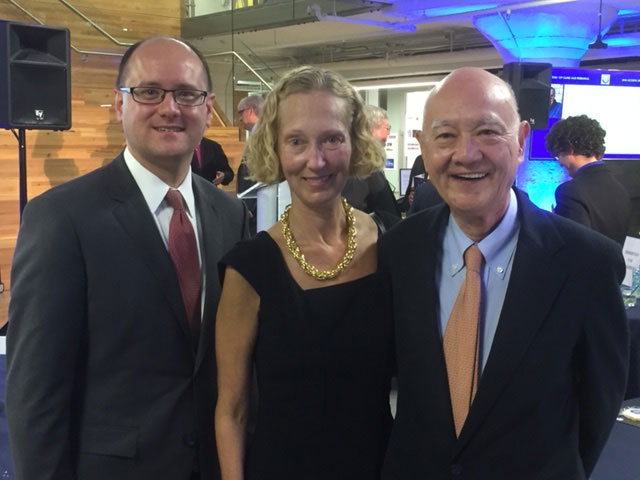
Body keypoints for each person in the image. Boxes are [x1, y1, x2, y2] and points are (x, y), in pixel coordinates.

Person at [5, 36, 249, 480]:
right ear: (119, 106)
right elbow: (35, 395)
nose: (170, 108)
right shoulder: (62, 217)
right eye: (149, 91)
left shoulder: (230, 214)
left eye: (187, 94)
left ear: (207, 106)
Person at [379, 67, 628, 479]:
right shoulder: (397, 252)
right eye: (445, 136)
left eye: (487, 132)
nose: (466, 153)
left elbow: (597, 410)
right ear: (423, 146)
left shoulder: (587, 264)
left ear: (521, 140)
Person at [215, 65, 394, 480]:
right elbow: (231, 410)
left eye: (332, 139)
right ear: (275, 150)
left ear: (354, 143)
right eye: (297, 141)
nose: (317, 161)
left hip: (381, 465)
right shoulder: (250, 267)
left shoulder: (388, 245)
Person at [545, 114, 631, 246]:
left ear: (569, 149)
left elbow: (573, 247)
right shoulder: (621, 190)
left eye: (558, 156)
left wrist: (554, 224)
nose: (560, 164)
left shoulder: (569, 192)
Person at [342, 104, 400, 230]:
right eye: (387, 128)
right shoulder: (362, 169)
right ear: (370, 129)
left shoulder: (359, 164)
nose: (388, 133)